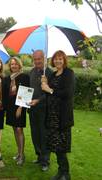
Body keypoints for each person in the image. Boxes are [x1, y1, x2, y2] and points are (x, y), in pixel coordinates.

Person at [41, 50, 75, 180]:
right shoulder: (53, 74)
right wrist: (44, 83)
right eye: (56, 59)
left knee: (62, 146)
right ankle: (61, 172)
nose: (58, 61)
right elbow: (48, 94)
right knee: (55, 145)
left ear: (64, 60)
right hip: (52, 116)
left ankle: (65, 173)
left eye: (60, 59)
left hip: (62, 117)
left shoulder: (69, 73)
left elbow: (67, 93)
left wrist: (49, 89)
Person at [28, 50, 52, 171]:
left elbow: (51, 93)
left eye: (39, 59)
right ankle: (39, 156)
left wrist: (38, 100)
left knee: (44, 135)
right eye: (35, 59)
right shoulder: (31, 72)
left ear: (44, 59)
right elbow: (28, 90)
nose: (37, 61)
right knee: (35, 134)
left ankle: (45, 160)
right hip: (32, 109)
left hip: (44, 109)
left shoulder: (49, 73)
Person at [4, 57, 29, 165]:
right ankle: (18, 152)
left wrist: (20, 108)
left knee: (19, 129)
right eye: (12, 64)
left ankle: (22, 155)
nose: (13, 66)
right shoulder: (8, 78)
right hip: (10, 107)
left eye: (15, 64)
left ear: (19, 65)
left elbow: (26, 93)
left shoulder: (24, 77)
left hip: (20, 107)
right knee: (15, 129)